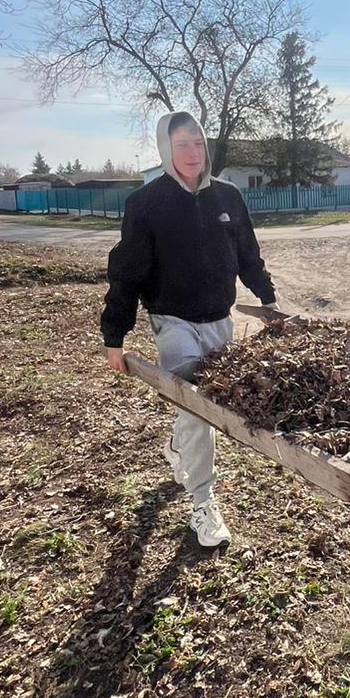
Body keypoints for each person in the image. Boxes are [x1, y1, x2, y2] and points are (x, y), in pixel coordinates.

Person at [100, 111, 281, 548]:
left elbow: (247, 255)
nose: (193, 153)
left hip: (220, 320)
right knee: (198, 406)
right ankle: (203, 503)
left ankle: (179, 449)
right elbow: (127, 274)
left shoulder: (228, 197)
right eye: (182, 145)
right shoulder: (146, 205)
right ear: (166, 149)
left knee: (207, 408)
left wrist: (268, 298)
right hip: (172, 321)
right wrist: (114, 336)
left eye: (198, 143)